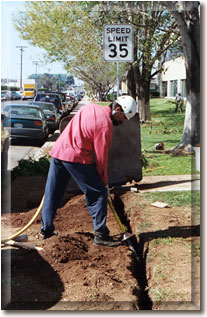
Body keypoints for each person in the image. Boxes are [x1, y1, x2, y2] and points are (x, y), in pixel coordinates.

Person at [40, 95, 137, 247]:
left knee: (52, 193)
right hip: (75, 157)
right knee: (98, 193)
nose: (123, 122)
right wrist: (103, 181)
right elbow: (101, 158)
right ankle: (101, 234)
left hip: (58, 152)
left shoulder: (91, 107)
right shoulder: (105, 126)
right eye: (123, 117)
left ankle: (46, 230)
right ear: (117, 109)